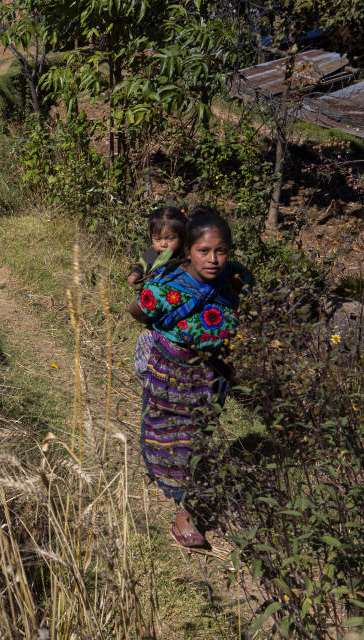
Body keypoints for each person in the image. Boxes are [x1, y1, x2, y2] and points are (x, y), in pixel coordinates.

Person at [127, 207, 252, 549]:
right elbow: (138, 311)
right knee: (176, 440)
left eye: (221, 250)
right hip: (171, 372)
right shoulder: (169, 285)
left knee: (196, 440)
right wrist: (156, 308)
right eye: (203, 251)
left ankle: (178, 498)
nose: (213, 259)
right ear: (187, 251)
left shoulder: (233, 277)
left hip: (212, 375)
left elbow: (246, 293)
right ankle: (184, 513)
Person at [129, 207, 188, 378]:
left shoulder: (184, 259)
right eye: (157, 238)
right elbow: (143, 265)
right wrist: (135, 274)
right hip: (154, 307)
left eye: (170, 239)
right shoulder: (154, 254)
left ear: (182, 238)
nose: (163, 244)